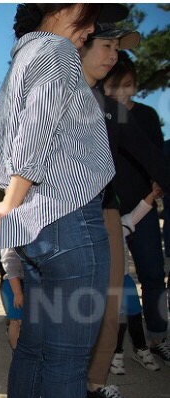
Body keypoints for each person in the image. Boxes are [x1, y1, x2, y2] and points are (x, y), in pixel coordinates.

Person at [0, 4, 129, 398]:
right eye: (88, 15)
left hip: (37, 226)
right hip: (70, 219)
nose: (92, 28)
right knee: (66, 361)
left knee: (33, 348)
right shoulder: (57, 49)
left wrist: (16, 205)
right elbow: (37, 128)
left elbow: (3, 143)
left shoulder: (20, 60)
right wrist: (12, 202)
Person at [77, 22, 170, 398]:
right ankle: (59, 376)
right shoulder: (52, 97)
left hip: (107, 209)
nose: (114, 54)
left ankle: (96, 384)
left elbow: (152, 158)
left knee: (112, 298)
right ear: (80, 45)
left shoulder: (114, 111)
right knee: (61, 300)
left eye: (118, 47)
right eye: (107, 45)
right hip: (59, 215)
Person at [102, 51, 170, 366]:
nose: (121, 92)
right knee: (110, 281)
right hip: (108, 209)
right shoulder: (98, 115)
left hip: (144, 207)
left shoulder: (146, 116)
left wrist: (157, 187)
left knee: (153, 274)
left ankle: (157, 336)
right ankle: (110, 346)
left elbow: (155, 157)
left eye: (127, 84)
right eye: (114, 85)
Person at [110, 184, 163, 375]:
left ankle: (140, 348)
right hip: (104, 283)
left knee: (134, 313)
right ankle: (115, 353)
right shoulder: (91, 230)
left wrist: (153, 194)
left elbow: (139, 211)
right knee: (116, 319)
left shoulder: (121, 224)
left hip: (124, 280)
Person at [0, 248, 24, 350]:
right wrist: (18, 293)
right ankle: (16, 350)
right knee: (16, 321)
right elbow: (11, 267)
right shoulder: (10, 244)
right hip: (14, 284)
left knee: (21, 321)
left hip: (24, 283)